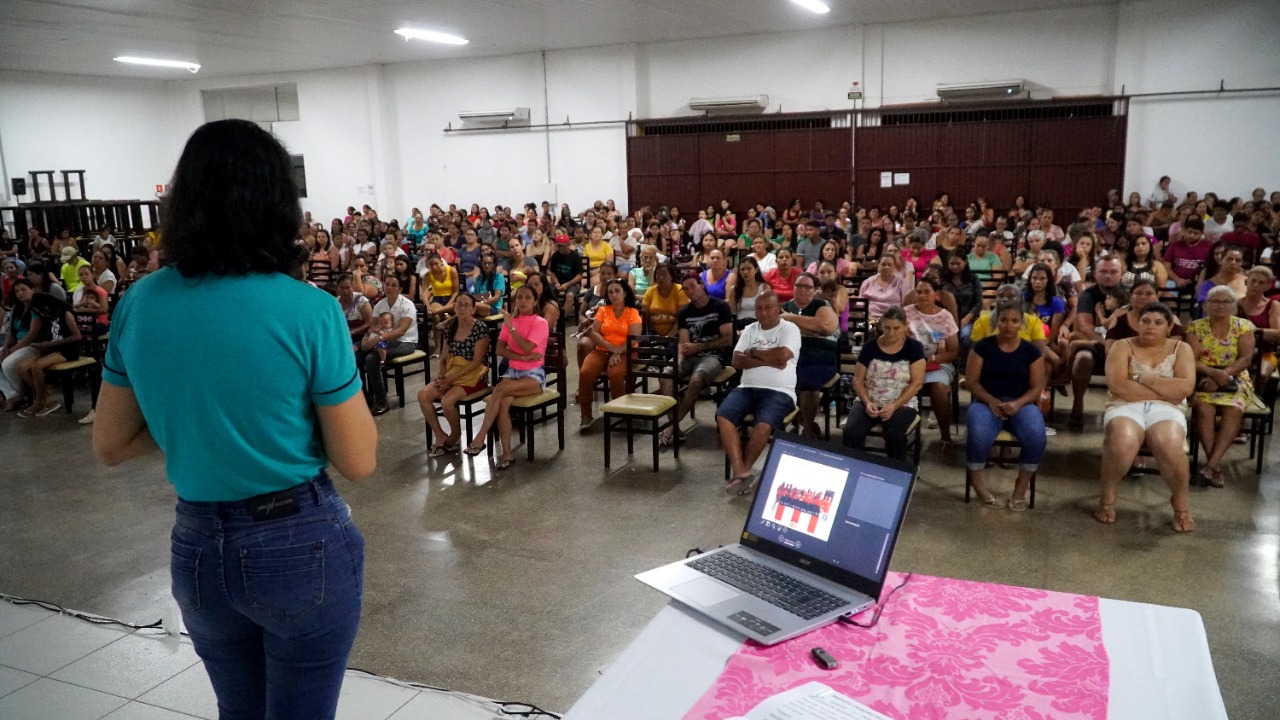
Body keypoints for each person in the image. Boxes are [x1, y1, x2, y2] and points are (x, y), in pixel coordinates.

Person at [92, 119, 376, 720]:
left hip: (197, 544)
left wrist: (196, 428)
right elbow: (359, 459)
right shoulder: (310, 310)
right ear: (279, 204)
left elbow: (111, 442)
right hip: (297, 538)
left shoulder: (138, 303)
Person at [1097, 303, 1196, 531]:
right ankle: (1107, 495)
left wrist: (1144, 379)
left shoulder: (1181, 349)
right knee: (1123, 440)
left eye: (1158, 322)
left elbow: (1185, 388)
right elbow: (1119, 386)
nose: (1150, 326)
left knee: (1169, 442)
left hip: (1168, 409)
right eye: (1145, 321)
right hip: (1124, 404)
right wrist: (1165, 389)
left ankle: (1180, 503)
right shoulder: (1122, 347)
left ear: (1169, 326)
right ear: (1137, 324)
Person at [964, 299, 1047, 510]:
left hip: (1022, 402)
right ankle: (978, 483)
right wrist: (991, 401)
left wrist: (1018, 404)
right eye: (1004, 320)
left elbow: (1037, 387)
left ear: (1022, 323)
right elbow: (971, 382)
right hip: (986, 401)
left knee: (1036, 436)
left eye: (1014, 321)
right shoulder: (982, 347)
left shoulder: (1031, 351)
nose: (1009, 325)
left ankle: (1021, 487)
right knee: (978, 435)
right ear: (996, 321)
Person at [717, 291, 801, 494]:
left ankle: (743, 471)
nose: (763, 313)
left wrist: (753, 352)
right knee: (723, 416)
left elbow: (782, 356)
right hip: (747, 388)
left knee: (763, 425)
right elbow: (736, 360)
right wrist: (769, 359)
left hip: (780, 391)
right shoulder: (749, 329)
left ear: (778, 308)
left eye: (768, 307)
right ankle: (740, 471)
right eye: (759, 308)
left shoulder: (790, 329)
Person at [465, 285, 551, 469]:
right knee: (503, 403)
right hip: (513, 372)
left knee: (500, 388)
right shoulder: (510, 321)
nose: (522, 300)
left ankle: (480, 436)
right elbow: (499, 350)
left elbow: (528, 346)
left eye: (528, 297)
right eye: (520, 297)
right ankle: (507, 453)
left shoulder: (539, 322)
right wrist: (521, 357)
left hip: (533, 374)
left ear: (535, 301)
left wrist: (512, 328)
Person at [1186, 286, 1258, 487]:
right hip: (1204, 378)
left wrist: (1222, 375)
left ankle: (1210, 466)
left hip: (1234, 378)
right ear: (1206, 305)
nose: (1220, 305)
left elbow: (1245, 359)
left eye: (1226, 302)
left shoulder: (1244, 326)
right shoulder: (1195, 327)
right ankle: (1214, 466)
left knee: (1233, 409)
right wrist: (1212, 373)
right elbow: (1192, 359)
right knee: (1202, 407)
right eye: (1215, 301)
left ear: (1234, 306)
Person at [841, 305, 925, 461]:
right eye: (887, 328)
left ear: (905, 327)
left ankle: (895, 474)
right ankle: (852, 468)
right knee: (852, 431)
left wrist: (894, 406)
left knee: (894, 433)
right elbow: (858, 380)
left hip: (902, 403)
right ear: (881, 326)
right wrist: (867, 402)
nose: (891, 333)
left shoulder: (914, 348)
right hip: (869, 399)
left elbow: (916, 383)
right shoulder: (870, 347)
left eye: (896, 328)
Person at [659, 272, 733, 445]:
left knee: (696, 379)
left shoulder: (720, 306)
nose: (690, 291)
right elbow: (684, 343)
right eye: (685, 289)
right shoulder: (684, 312)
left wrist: (699, 347)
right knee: (666, 376)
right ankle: (674, 428)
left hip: (714, 356)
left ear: (701, 284)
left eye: (693, 286)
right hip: (690, 355)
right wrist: (678, 360)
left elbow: (727, 339)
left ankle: (671, 426)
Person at [419, 293, 490, 456]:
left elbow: (476, 362)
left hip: (474, 375)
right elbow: (444, 357)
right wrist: (442, 376)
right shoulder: (451, 327)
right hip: (452, 371)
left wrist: (451, 379)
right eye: (459, 304)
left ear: (473, 309)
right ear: (454, 307)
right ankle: (440, 434)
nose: (462, 308)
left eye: (466, 305)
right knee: (423, 395)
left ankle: (455, 434)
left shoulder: (480, 328)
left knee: (447, 401)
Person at [577, 279, 642, 430]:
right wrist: (611, 348)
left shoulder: (632, 312)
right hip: (604, 349)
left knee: (616, 373)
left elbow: (633, 339)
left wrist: (618, 351)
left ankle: (621, 411)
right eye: (610, 292)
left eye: (617, 291)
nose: (613, 295)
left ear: (625, 293)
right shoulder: (603, 310)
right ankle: (586, 415)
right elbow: (594, 333)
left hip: (626, 351)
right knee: (585, 371)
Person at [782, 272, 840, 438]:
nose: (801, 290)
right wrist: (809, 327)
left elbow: (824, 327)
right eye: (798, 285)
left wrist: (791, 320)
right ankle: (797, 421)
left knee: (808, 381)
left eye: (807, 287)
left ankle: (807, 428)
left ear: (815, 290)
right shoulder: (786, 306)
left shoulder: (822, 305)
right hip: (793, 357)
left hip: (820, 358)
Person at [1068, 256, 1124, 427]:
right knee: (1082, 358)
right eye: (1103, 272)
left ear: (1121, 273)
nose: (1108, 276)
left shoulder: (1129, 294)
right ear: (1095, 273)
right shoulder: (1088, 294)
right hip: (1096, 343)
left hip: (1124, 346)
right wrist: (1105, 343)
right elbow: (1085, 326)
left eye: (1113, 272)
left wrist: (1116, 345)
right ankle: (1077, 403)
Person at [905, 276, 960, 444]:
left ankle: (945, 436)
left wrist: (931, 358)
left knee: (940, 387)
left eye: (927, 292)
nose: (922, 296)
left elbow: (953, 352)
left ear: (936, 294)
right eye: (918, 292)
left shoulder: (945, 317)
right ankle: (902, 431)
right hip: (909, 362)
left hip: (937, 363)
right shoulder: (906, 312)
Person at [360, 274, 418, 415]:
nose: (390, 288)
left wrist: (379, 338)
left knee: (371, 359)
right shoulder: (380, 304)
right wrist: (367, 338)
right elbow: (373, 325)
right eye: (387, 284)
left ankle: (381, 401)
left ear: (400, 288)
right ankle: (365, 397)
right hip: (383, 341)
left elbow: (400, 331)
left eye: (394, 285)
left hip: (406, 342)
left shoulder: (407, 304)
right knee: (357, 355)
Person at [1238, 265, 1280, 379]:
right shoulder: (1236, 304)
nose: (1256, 285)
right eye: (1253, 281)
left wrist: (1253, 330)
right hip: (1237, 352)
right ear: (1246, 282)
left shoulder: (1273, 305)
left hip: (1265, 353)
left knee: (1261, 375)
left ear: (1267, 286)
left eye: (1261, 283)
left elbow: (1278, 333)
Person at [860, 254, 911, 321]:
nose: (886, 267)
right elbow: (860, 303)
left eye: (890, 265)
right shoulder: (868, 282)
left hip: (893, 320)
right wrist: (867, 317)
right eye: (883, 264)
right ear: (878, 265)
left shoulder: (901, 282)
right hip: (869, 319)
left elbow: (906, 305)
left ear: (894, 267)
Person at [642, 264, 688, 337]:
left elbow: (681, 318)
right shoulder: (650, 291)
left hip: (675, 334)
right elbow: (644, 316)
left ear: (671, 276)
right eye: (658, 275)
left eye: (664, 275)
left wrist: (669, 337)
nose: (661, 277)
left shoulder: (680, 290)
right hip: (653, 334)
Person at [726, 255, 766, 330]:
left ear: (756, 270)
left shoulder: (764, 288)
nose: (745, 272)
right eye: (742, 269)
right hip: (740, 326)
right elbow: (733, 313)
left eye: (749, 269)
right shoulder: (734, 290)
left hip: (759, 325)